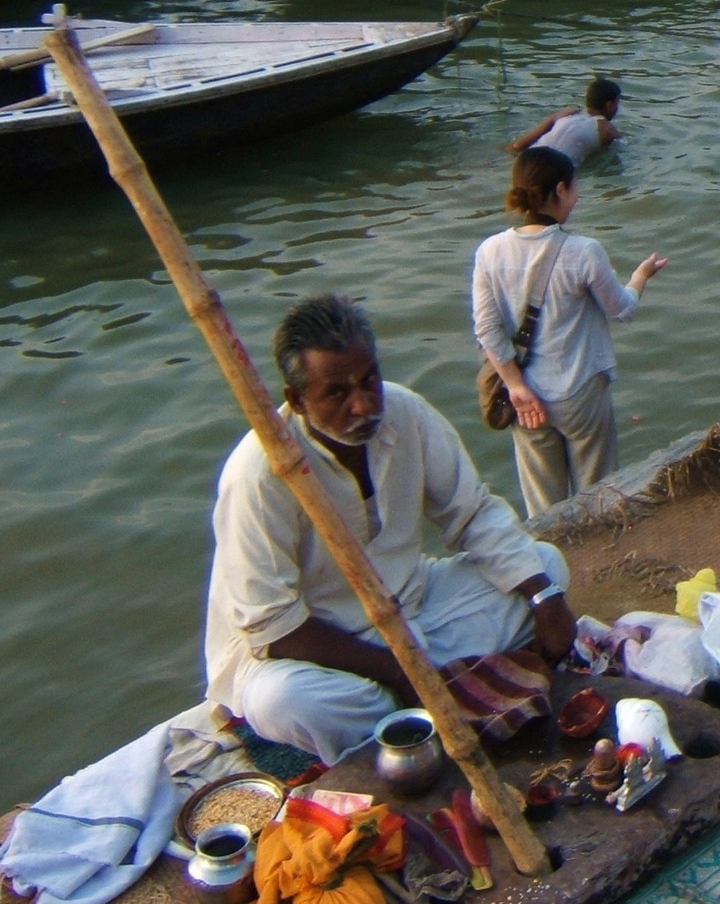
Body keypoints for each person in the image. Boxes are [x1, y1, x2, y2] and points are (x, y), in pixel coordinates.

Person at [204, 294, 576, 765]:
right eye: (337, 393)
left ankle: (415, 704)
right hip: (321, 653)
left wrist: (544, 599)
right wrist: (402, 672)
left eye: (369, 380)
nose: (362, 404)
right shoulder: (257, 474)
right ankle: (411, 708)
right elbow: (274, 627)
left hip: (411, 609)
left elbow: (473, 513)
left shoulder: (406, 413)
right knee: (284, 702)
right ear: (297, 400)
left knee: (546, 566)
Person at [472, 146, 668, 516]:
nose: (577, 195)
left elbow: (487, 330)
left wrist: (516, 387)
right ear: (560, 190)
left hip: (524, 396)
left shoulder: (489, 251)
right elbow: (622, 310)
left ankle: (556, 568)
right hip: (579, 393)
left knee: (544, 511)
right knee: (599, 497)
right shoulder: (583, 251)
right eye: (575, 187)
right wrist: (640, 277)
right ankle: (600, 562)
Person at [508, 76, 620, 164]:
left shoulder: (567, 113)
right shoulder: (608, 130)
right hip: (555, 169)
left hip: (526, 158)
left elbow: (518, 145)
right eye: (617, 103)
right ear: (609, 105)